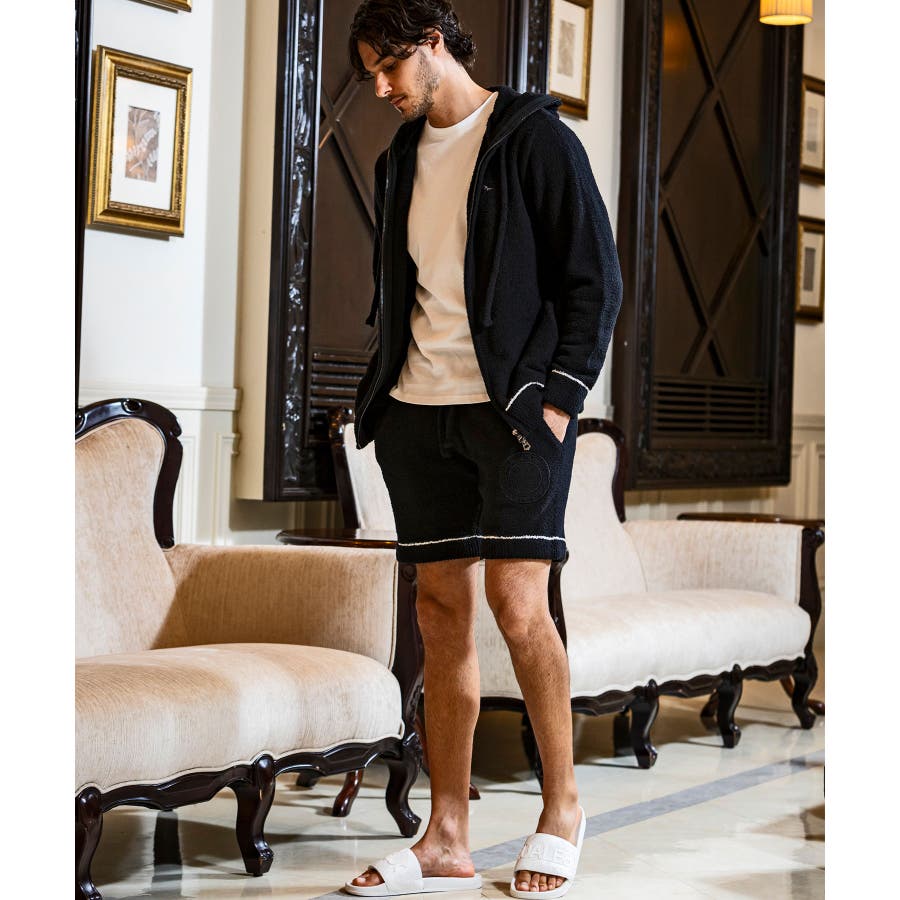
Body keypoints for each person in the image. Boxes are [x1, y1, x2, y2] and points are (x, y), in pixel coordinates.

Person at [345, 2, 622, 897]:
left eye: (390, 66)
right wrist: (382, 399)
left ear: (434, 43)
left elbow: (596, 280)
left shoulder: (536, 140)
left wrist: (560, 402)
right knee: (440, 613)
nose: (380, 88)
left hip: (514, 416)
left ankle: (562, 806)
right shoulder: (398, 160)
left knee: (518, 602)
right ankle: (446, 833)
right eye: (371, 74)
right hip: (417, 414)